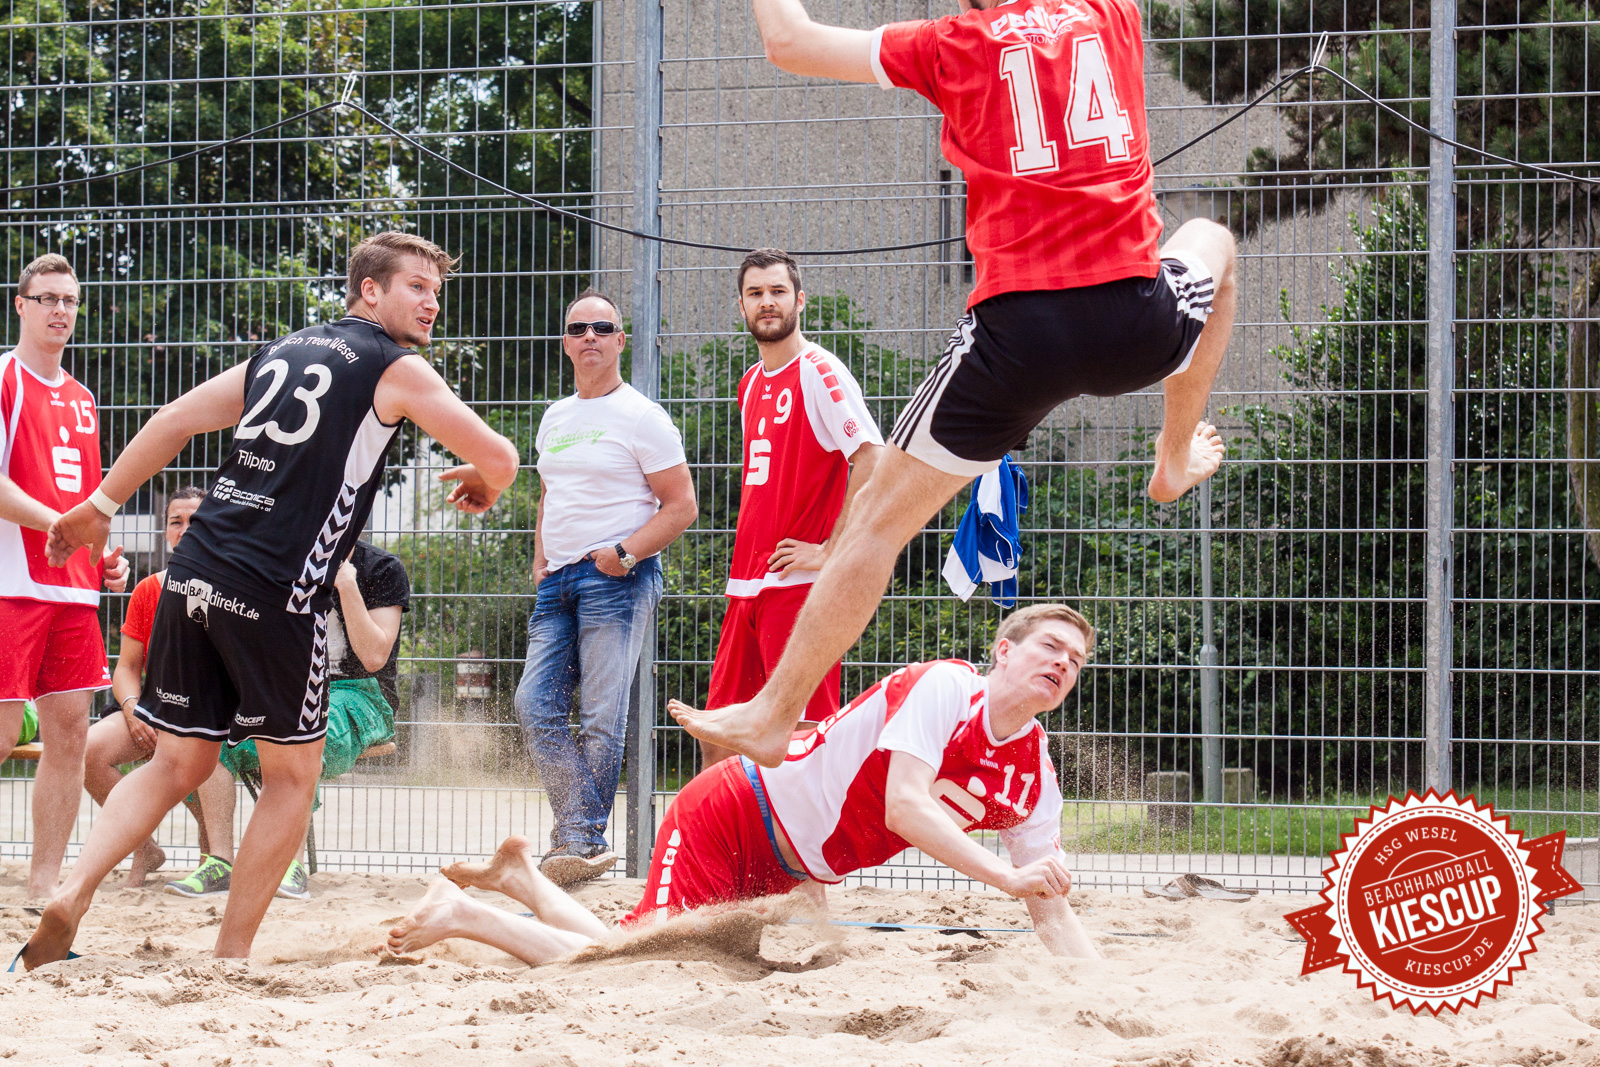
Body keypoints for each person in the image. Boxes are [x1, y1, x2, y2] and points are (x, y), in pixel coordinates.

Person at [671, 0, 1240, 767]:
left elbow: (789, 42)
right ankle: (1172, 456)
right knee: (1214, 242)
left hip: (1017, 337)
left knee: (874, 521)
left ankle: (773, 713)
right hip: (1131, 324)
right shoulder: (1110, 13)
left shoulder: (951, 43)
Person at [22, 230, 521, 969]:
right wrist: (490, 482)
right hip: (277, 589)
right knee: (294, 775)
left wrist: (102, 502)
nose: (432, 301)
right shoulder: (398, 367)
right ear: (369, 290)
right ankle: (231, 954)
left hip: (192, 571)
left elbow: (170, 422)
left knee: (176, 763)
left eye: (436, 290)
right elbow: (502, 455)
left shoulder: (282, 351)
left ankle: (72, 889)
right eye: (416, 285)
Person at [387, 604, 1101, 964]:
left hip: (790, 862)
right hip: (735, 811)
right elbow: (905, 804)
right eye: (1050, 646)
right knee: (635, 963)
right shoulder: (948, 685)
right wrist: (1007, 881)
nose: (1063, 663)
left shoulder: (1036, 777)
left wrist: (1092, 988)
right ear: (1003, 651)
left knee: (661, 952)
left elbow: (1050, 907)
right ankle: (464, 914)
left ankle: (521, 880)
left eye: (1076, 661)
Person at [513, 289, 697, 886]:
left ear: (621, 340)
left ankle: (578, 840)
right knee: (533, 705)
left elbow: (682, 505)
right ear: (565, 343)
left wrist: (623, 554)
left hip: (615, 578)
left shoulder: (643, 417)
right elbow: (548, 492)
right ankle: (582, 837)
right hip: (557, 581)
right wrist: (540, 557)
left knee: (600, 714)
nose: (588, 336)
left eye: (602, 327)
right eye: (577, 328)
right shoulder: (555, 417)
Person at [698, 249, 883, 769]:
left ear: (799, 300)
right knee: (718, 733)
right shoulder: (751, 383)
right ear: (741, 307)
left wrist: (831, 551)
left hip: (796, 586)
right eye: (756, 293)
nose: (767, 302)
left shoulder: (819, 370)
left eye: (777, 291)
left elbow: (871, 457)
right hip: (746, 583)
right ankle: (728, 849)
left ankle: (802, 851)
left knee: (801, 738)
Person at [179, 537, 411, 902]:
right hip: (291, 687)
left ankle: (292, 863)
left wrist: (345, 583)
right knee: (215, 736)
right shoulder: (279, 560)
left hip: (362, 693)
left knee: (307, 731)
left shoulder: (381, 568)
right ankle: (219, 861)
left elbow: (373, 657)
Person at [0, 253, 130, 900]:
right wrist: (61, 525)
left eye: (70, 301)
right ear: (20, 305)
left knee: (70, 734)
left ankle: (41, 883)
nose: (60, 310)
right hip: (10, 584)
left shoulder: (82, 399)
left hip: (71, 592)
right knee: (1, 732)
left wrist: (104, 555)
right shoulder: (3, 376)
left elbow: (91, 500)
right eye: (47, 298)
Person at [83, 485, 236, 888]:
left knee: (199, 749)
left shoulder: (237, 586)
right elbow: (126, 668)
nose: (185, 530)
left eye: (196, 521)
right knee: (88, 751)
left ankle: (219, 860)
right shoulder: (150, 589)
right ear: (165, 532)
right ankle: (143, 845)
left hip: (217, 712)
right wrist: (133, 709)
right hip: (155, 705)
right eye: (176, 522)